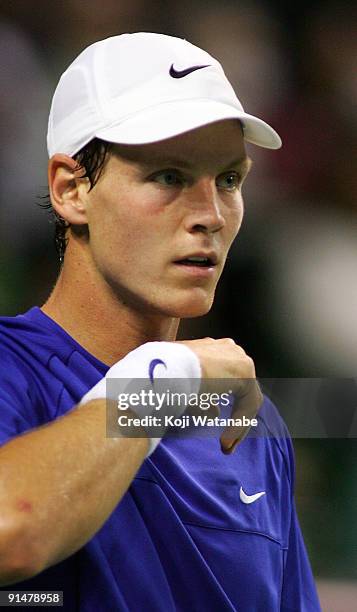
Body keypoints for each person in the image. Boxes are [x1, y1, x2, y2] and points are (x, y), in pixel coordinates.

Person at [0, 33, 321, 611]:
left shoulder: (251, 422)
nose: (211, 215)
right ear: (72, 190)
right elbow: (11, 530)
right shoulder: (8, 371)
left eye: (229, 179)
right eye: (169, 176)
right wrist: (161, 383)